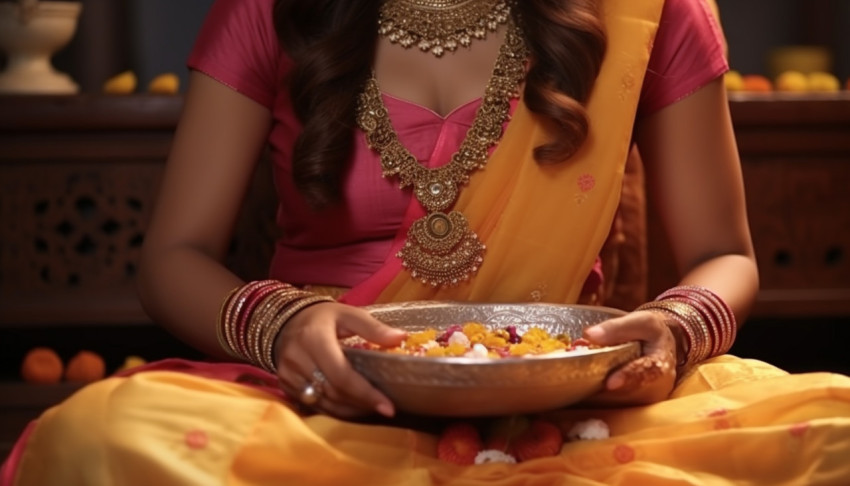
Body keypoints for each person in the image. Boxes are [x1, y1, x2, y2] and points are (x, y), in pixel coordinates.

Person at [3, 0, 850, 484]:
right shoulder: (269, 9)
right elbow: (171, 256)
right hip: (324, 408)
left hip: (573, 408)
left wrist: (674, 328)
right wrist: (280, 323)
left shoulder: (641, 11)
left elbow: (725, 255)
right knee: (94, 438)